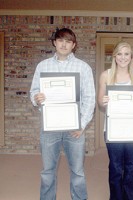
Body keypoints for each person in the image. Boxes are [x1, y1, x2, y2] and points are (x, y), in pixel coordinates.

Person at [30, 28, 95, 200]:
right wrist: (37, 98)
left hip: (75, 128)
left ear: (73, 45)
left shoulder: (83, 67)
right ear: (54, 42)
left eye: (68, 41)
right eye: (60, 40)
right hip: (49, 128)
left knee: (78, 172)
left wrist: (82, 125)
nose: (64, 44)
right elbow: (33, 92)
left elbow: (90, 98)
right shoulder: (43, 66)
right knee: (47, 171)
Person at [98, 41, 133, 200]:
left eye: (126, 54)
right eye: (119, 53)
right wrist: (103, 101)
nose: (123, 57)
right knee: (115, 167)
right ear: (114, 56)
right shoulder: (106, 75)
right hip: (113, 129)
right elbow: (99, 101)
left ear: (131, 57)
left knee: (131, 167)